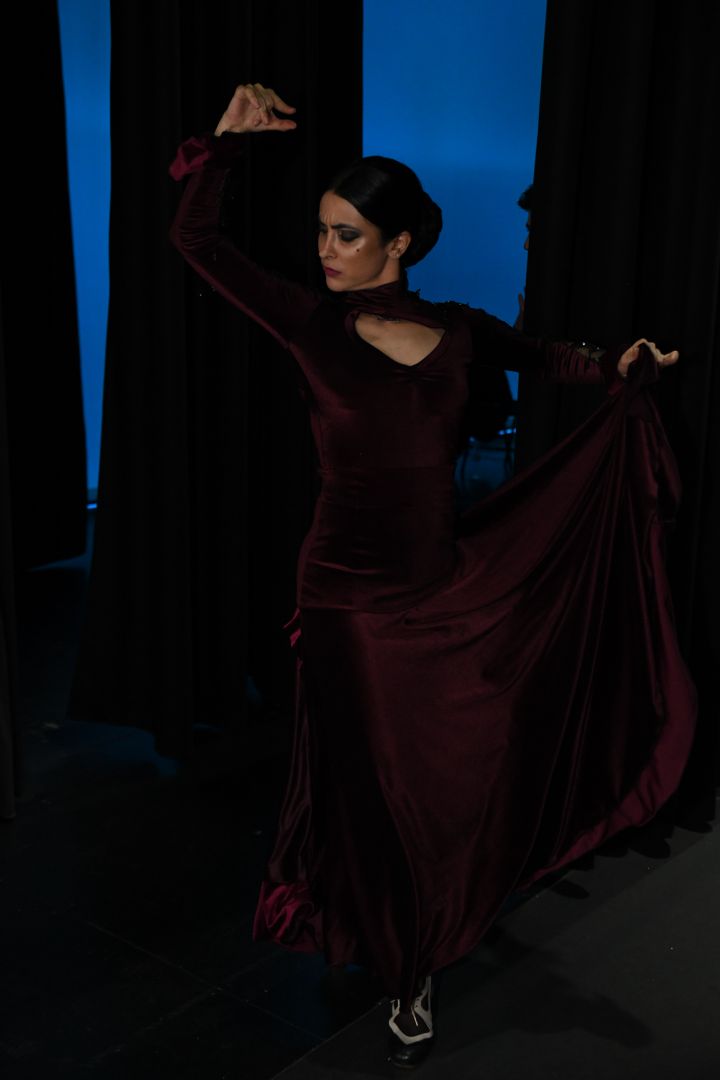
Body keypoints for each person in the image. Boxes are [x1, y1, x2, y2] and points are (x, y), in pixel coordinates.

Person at [169, 83, 695, 1070]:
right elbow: (198, 243)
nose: (325, 251)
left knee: (448, 768)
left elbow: (553, 357)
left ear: (399, 243)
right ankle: (408, 965)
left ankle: (424, 908)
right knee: (386, 785)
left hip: (440, 584)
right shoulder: (309, 323)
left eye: (347, 235)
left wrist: (619, 365)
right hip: (344, 597)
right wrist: (223, 149)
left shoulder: (458, 333)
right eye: (321, 232)